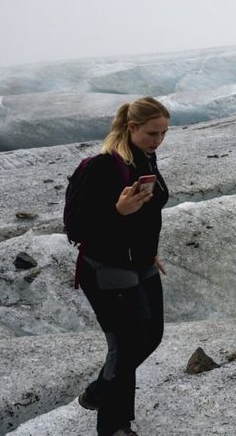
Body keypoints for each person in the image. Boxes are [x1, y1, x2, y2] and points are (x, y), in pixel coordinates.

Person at [75, 97, 171, 436]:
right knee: (126, 344)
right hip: (106, 267)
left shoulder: (146, 157)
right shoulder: (103, 166)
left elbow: (148, 212)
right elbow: (78, 227)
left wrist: (149, 250)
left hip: (140, 261)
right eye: (151, 133)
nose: (157, 140)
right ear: (131, 128)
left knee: (152, 334)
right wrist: (117, 211)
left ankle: (100, 391)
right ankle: (114, 426)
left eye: (162, 133)